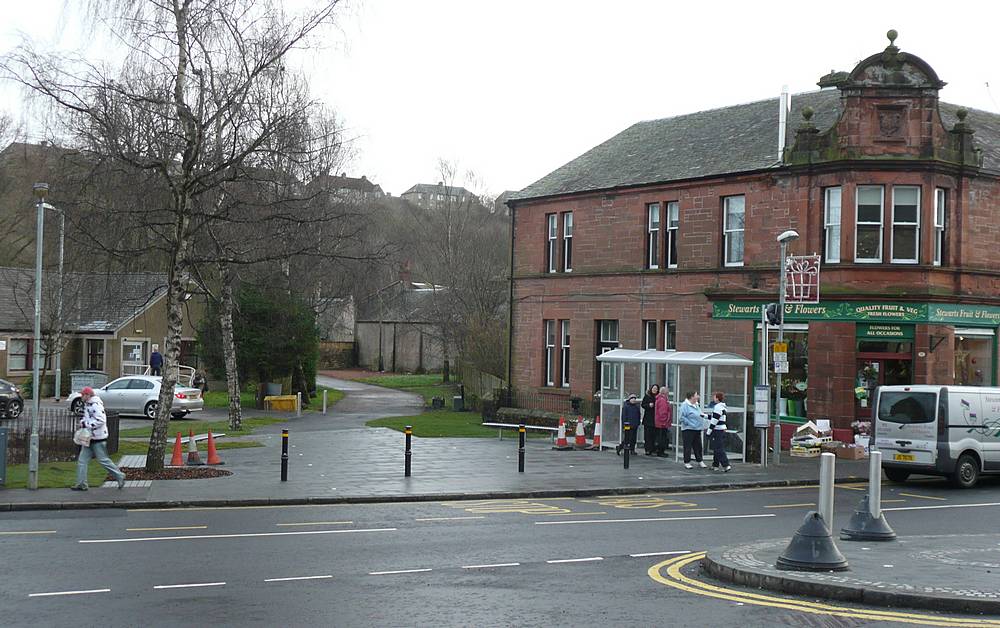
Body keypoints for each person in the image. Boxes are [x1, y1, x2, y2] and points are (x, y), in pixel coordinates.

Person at [72, 387, 125, 491]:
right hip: (90, 437)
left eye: (82, 395)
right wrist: (84, 422)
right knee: (82, 461)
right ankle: (81, 484)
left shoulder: (95, 405)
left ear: (88, 395)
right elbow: (90, 418)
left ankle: (119, 475)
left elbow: (101, 420)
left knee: (103, 460)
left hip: (97, 438)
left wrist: (86, 424)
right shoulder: (89, 404)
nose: (81, 397)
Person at [680, 390, 707, 469]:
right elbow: (681, 417)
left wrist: (705, 417)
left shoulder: (696, 405)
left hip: (697, 429)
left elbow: (700, 414)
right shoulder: (684, 405)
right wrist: (690, 424)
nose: (698, 396)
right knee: (688, 446)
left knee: (698, 446)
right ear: (692, 397)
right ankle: (687, 462)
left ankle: (700, 460)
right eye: (696, 395)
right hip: (688, 429)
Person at [707, 391, 732, 472]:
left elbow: (714, 420)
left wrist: (709, 431)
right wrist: (704, 415)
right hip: (721, 430)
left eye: (714, 397)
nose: (713, 398)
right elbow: (716, 417)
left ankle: (726, 465)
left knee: (719, 448)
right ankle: (715, 465)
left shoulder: (717, 407)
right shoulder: (722, 407)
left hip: (717, 430)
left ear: (717, 398)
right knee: (717, 448)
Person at [653, 386, 673, 457]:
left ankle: (660, 451)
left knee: (660, 437)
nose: (668, 393)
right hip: (662, 423)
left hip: (660, 422)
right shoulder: (662, 400)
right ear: (665, 392)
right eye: (667, 392)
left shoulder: (660, 399)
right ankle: (661, 451)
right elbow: (663, 412)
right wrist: (664, 421)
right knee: (662, 438)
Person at [641, 384, 659, 455]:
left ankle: (653, 448)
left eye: (656, 389)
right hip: (648, 419)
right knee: (648, 435)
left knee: (654, 435)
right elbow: (642, 405)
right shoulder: (647, 396)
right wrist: (648, 405)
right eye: (653, 388)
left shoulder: (658, 397)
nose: (655, 390)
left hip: (656, 419)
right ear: (651, 389)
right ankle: (648, 449)